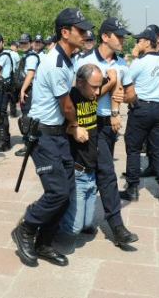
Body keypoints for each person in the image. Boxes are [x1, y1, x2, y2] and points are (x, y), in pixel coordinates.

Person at [11, 8, 93, 267]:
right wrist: (76, 125)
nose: (85, 34)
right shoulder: (56, 63)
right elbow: (67, 106)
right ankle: (26, 227)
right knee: (57, 192)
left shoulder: (69, 59)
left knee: (66, 192)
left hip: (57, 134)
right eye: (80, 30)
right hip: (44, 135)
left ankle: (44, 243)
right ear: (65, 32)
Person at [76, 17, 139, 246]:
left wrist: (125, 96)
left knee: (96, 171)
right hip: (88, 122)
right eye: (119, 36)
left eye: (123, 36)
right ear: (105, 37)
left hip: (108, 126)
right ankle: (117, 227)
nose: (123, 40)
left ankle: (83, 219)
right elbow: (82, 95)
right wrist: (111, 85)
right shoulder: (85, 62)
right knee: (106, 173)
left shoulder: (122, 64)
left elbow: (132, 96)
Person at [121, 28, 159, 204]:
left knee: (134, 148)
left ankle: (133, 188)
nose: (137, 44)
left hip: (142, 108)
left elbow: (126, 82)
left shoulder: (140, 62)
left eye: (139, 41)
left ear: (146, 42)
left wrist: (134, 57)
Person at [60, 64, 103, 236]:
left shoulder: (92, 93)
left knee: (87, 225)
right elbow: (58, 129)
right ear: (79, 82)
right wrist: (73, 129)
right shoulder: (70, 100)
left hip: (92, 171)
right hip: (78, 172)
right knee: (74, 229)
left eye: (99, 86)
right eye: (94, 87)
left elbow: (112, 83)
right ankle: (37, 224)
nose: (98, 92)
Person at [14, 33, 41, 157]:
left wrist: (23, 90)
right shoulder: (26, 56)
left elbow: (30, 74)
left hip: (29, 91)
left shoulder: (31, 57)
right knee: (27, 116)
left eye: (25, 43)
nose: (23, 45)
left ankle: (29, 146)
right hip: (26, 90)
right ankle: (29, 143)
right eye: (21, 43)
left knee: (28, 118)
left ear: (31, 43)